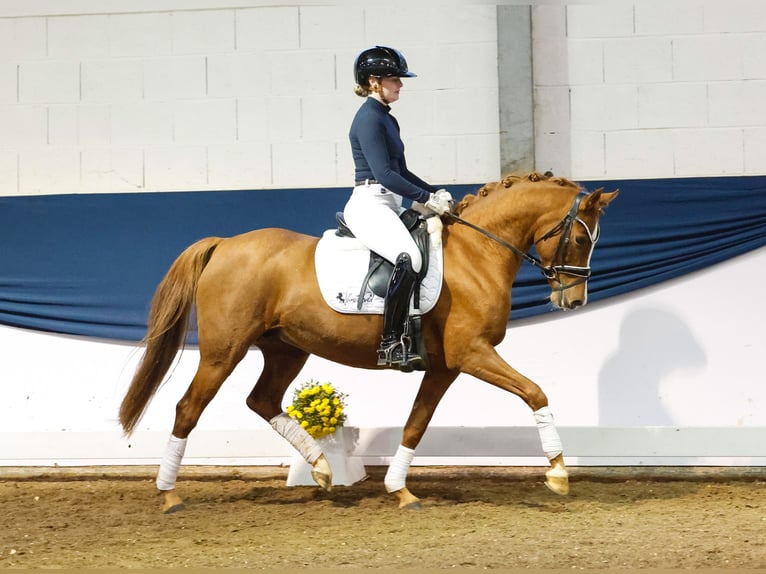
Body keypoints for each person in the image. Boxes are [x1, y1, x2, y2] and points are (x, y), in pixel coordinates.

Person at [343, 45, 453, 371]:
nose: (401, 85)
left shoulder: (387, 118)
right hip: (369, 203)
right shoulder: (368, 119)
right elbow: (385, 174)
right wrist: (425, 198)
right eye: (395, 80)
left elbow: (401, 172)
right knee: (410, 258)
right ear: (374, 82)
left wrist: (435, 192)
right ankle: (392, 342)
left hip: (387, 202)